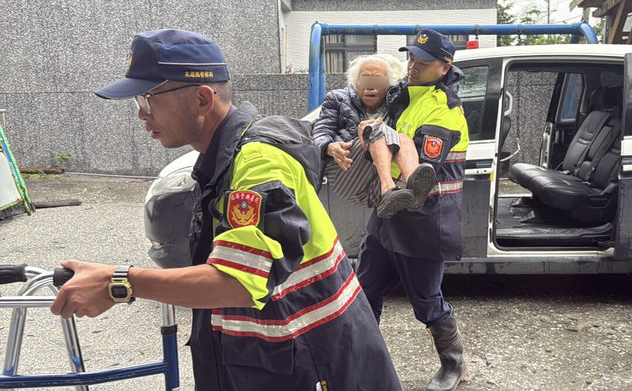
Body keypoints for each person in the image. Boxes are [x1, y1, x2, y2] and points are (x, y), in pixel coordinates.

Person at [50, 29, 401, 390]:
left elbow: (237, 281)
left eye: (147, 99)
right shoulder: (224, 155)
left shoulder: (259, 162)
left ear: (202, 99)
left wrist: (119, 282)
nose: (142, 115)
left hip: (317, 362)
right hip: (283, 358)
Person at [355, 29, 470, 391]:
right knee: (364, 289)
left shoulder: (445, 109)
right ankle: (363, 360)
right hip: (389, 214)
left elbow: (424, 170)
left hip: (425, 218)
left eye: (422, 61)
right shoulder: (405, 98)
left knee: (426, 302)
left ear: (444, 66)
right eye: (411, 58)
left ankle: (455, 363)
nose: (412, 65)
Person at [313, 53, 437, 218]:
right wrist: (329, 147)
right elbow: (321, 130)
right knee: (375, 128)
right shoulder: (337, 99)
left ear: (389, 84)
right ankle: (388, 188)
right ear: (356, 82)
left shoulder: (397, 99)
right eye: (365, 80)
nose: (370, 87)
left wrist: (453, 100)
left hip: (375, 181)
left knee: (404, 138)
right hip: (347, 171)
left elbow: (434, 81)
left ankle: (414, 189)